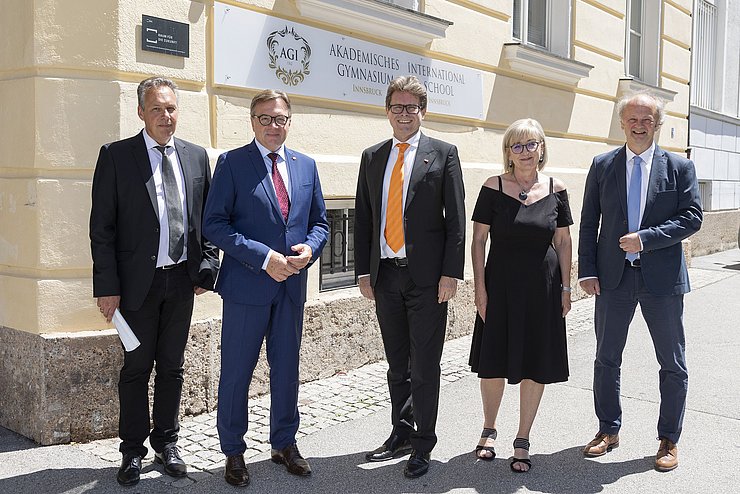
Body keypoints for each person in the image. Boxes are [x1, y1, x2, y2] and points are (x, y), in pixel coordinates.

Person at [90, 77, 220, 486]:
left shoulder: (196, 156)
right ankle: (132, 451)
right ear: (141, 112)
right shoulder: (116, 156)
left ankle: (167, 443)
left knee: (173, 368)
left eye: (172, 108)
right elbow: (102, 228)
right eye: (158, 109)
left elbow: (208, 220)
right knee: (136, 368)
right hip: (135, 286)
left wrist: (207, 268)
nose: (167, 116)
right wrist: (106, 286)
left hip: (182, 282)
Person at [203, 89, 329, 487]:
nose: (273, 126)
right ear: (252, 121)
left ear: (289, 121)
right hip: (247, 287)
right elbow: (214, 225)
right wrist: (264, 258)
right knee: (237, 373)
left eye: (280, 119)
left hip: (291, 287)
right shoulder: (232, 163)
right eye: (265, 119)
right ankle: (233, 452)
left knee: (287, 370)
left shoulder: (306, 166)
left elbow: (321, 223)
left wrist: (310, 248)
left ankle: (284, 443)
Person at [578, 91, 703, 472]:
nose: (639, 125)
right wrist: (588, 270)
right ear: (622, 123)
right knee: (606, 359)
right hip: (613, 279)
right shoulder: (603, 165)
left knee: (672, 362)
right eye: (632, 119)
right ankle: (608, 429)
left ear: (657, 124)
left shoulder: (679, 167)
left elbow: (692, 217)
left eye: (646, 119)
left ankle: (668, 438)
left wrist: (646, 238)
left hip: (661, 281)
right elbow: (588, 222)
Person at [354, 75, 466, 479]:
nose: (404, 114)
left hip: (427, 280)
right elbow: (364, 217)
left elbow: (455, 220)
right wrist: (364, 272)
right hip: (386, 276)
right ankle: (400, 433)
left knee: (425, 366)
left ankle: (424, 442)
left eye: (412, 108)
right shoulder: (372, 156)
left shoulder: (443, 153)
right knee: (396, 364)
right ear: (387, 111)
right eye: (397, 107)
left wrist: (451, 274)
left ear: (423, 112)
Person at [468, 118, 572, 472]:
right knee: (493, 359)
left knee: (535, 361)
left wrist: (566, 287)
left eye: (532, 144)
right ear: (508, 152)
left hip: (543, 288)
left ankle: (523, 438)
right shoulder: (493, 186)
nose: (525, 152)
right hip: (500, 286)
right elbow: (479, 240)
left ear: (542, 148)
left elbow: (563, 240)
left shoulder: (557, 188)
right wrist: (480, 289)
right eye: (518, 145)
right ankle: (489, 427)